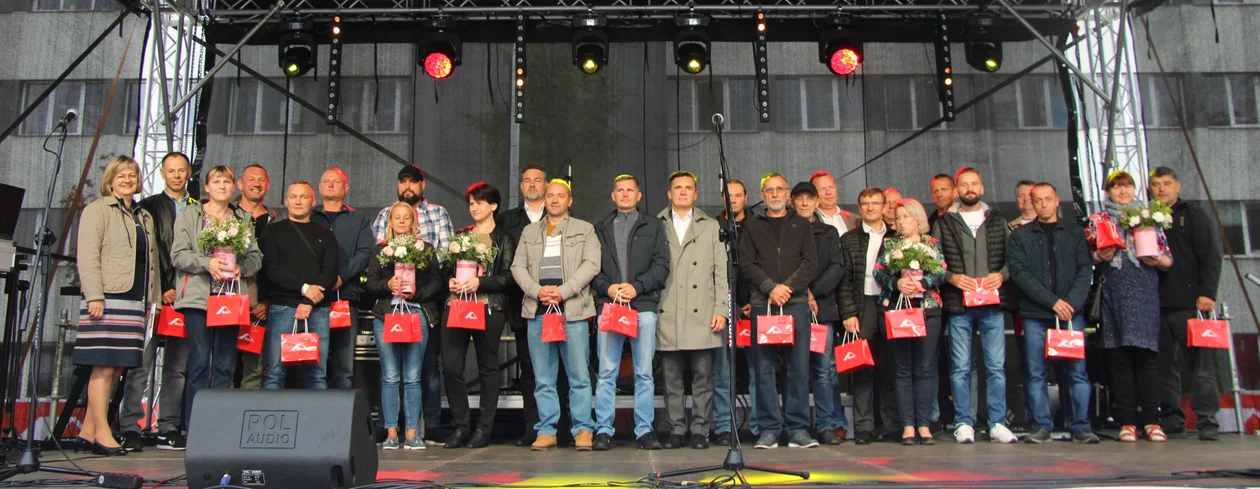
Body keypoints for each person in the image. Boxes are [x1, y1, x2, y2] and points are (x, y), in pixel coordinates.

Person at [73, 156, 161, 456]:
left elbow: (152, 262)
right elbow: (87, 255)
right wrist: (94, 295)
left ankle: (87, 430)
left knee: (117, 368)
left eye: (132, 175)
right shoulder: (97, 210)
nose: (127, 180)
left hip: (135, 299)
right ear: (110, 181)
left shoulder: (143, 216)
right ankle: (102, 433)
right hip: (106, 297)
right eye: (121, 175)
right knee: (103, 366)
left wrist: (152, 300)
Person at [511, 179, 600, 451]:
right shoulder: (529, 231)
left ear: (569, 201)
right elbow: (517, 266)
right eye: (550, 195)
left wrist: (563, 291)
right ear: (544, 200)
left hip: (572, 311)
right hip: (538, 311)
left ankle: (583, 429)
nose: (554, 200)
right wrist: (537, 291)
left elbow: (592, 264)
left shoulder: (585, 229)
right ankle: (547, 429)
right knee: (543, 377)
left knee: (579, 376)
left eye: (561, 196)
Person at [1007, 183, 1100, 444]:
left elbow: (1085, 269)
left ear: (1058, 200)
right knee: (1036, 372)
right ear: (1032, 203)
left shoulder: (1075, 233)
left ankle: (1081, 426)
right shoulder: (1020, 236)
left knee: (1077, 372)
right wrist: (1053, 302)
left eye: (1048, 199)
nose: (1044, 204)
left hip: (1070, 313)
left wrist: (1070, 303)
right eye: (1038, 200)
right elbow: (1020, 274)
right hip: (1036, 314)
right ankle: (1041, 426)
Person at [171, 165, 263, 429]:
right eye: (216, 181)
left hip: (230, 299)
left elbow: (256, 256)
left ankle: (219, 427)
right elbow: (178, 255)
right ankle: (194, 426)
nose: (222, 186)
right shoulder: (190, 214)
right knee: (199, 363)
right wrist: (207, 263)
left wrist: (242, 268)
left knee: (224, 364)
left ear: (233, 187)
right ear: (207, 187)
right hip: (199, 299)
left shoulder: (241, 218)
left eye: (226, 182)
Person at [932, 167, 1017, 444]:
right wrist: (951, 277)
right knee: (960, 367)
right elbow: (933, 261)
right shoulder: (945, 222)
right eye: (964, 184)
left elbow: (1014, 258)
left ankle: (997, 422)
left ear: (982, 188)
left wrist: (1002, 275)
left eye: (974, 184)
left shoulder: (997, 220)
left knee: (996, 367)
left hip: (992, 305)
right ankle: (963, 422)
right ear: (957, 190)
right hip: (959, 305)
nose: (969, 189)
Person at [1087, 170, 1173, 443]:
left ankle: (1152, 421)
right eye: (1117, 187)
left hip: (1145, 293)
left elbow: (1168, 258)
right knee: (1119, 358)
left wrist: (1157, 260)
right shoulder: (1098, 219)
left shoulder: (1150, 217)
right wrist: (1099, 255)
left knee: (1147, 358)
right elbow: (1087, 255)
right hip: (1113, 293)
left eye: (1127, 186)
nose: (1123, 191)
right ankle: (1126, 421)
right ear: (1108, 192)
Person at [371, 164, 453, 443]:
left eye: (406, 218)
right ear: (389, 221)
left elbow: (437, 280)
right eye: (397, 217)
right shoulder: (381, 249)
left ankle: (414, 433)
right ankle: (391, 432)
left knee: (415, 376)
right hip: (387, 314)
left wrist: (415, 293)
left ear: (413, 221)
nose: (401, 221)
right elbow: (370, 282)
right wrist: (387, 285)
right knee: (390, 375)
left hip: (417, 313)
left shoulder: (425, 249)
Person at [589, 175, 670, 451]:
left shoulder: (654, 226)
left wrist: (637, 287)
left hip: (643, 305)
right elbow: (592, 268)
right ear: (613, 196)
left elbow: (662, 266)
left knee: (644, 372)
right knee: (606, 372)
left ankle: (644, 430)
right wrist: (608, 288)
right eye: (620, 190)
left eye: (630, 190)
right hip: (610, 305)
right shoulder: (600, 228)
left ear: (639, 195)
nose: (625, 194)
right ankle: (603, 430)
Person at [739, 173, 818, 450]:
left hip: (795, 304)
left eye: (779, 189)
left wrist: (788, 288)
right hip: (764, 305)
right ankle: (769, 429)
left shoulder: (802, 224)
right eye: (769, 190)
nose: (774, 194)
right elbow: (746, 264)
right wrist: (771, 288)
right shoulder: (752, 226)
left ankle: (797, 429)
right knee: (764, 370)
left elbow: (810, 263)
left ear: (787, 194)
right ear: (762, 196)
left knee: (798, 369)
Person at [121, 152, 194, 452]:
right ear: (162, 173)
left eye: (181, 170)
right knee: (142, 363)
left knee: (177, 367)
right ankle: (130, 427)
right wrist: (163, 287)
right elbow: (149, 252)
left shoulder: (198, 207)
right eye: (170, 170)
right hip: (155, 297)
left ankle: (168, 427)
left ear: (189, 173)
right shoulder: (148, 206)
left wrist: (183, 289)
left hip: (188, 297)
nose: (176, 175)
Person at [1149, 167, 1222, 441]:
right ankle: (1172, 419)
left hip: (1191, 303)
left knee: (1201, 366)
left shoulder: (1193, 214)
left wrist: (1208, 293)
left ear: (1178, 186)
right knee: (1163, 366)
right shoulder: (1143, 217)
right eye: (1156, 184)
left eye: (1167, 183)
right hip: (1156, 303)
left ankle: (1207, 421)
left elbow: (1212, 255)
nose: (1161, 189)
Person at [655, 171, 725, 450]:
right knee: (671, 379)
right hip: (668, 308)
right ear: (669, 193)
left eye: (688, 188)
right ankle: (676, 429)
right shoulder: (656, 224)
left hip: (703, 312)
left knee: (703, 378)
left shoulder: (711, 226)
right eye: (678, 188)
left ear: (696, 194)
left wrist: (721, 308)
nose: (683, 192)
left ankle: (700, 430)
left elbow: (721, 272)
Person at [442, 183, 514, 449]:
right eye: (471, 203)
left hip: (488, 306)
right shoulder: (461, 236)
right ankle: (461, 427)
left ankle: (483, 429)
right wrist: (450, 280)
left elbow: (508, 277)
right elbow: (446, 269)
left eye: (480, 202)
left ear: (493, 205)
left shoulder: (504, 239)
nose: (474, 207)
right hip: (457, 305)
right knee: (451, 365)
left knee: (487, 366)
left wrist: (480, 283)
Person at [873, 198, 946, 445]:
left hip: (927, 311)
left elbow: (941, 271)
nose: (901, 222)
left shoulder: (930, 243)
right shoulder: (890, 244)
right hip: (897, 310)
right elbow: (878, 271)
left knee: (924, 368)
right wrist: (897, 283)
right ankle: (907, 426)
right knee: (901, 369)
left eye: (906, 217)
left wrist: (922, 283)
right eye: (898, 218)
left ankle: (924, 424)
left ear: (918, 219)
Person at [260, 182, 340, 390]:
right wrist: (304, 288)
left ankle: (316, 413)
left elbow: (330, 272)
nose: (298, 201)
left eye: (303, 197)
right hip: (283, 307)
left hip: (318, 309)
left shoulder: (326, 233)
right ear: (286, 201)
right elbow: (270, 268)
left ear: (313, 201)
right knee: (275, 372)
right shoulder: (273, 230)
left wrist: (308, 301)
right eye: (293, 197)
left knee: (317, 375)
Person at [791, 182, 847, 445]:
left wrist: (814, 292)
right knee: (796, 370)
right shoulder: (786, 230)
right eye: (799, 198)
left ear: (817, 202)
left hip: (822, 310)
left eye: (809, 198)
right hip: (792, 306)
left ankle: (826, 424)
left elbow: (837, 266)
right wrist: (803, 291)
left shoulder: (829, 232)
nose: (804, 203)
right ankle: (797, 426)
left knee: (824, 370)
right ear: (792, 202)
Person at [496, 163, 548, 447]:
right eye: (527, 180)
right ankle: (533, 427)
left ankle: (558, 426)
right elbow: (503, 266)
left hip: (559, 304)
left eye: (537, 180)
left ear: (546, 185)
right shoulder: (506, 221)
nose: (532, 185)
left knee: (557, 369)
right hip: (521, 305)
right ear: (521, 186)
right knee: (528, 368)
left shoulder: (562, 216)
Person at [311, 168, 375, 391]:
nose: (330, 185)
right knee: (312, 364)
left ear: (346, 188)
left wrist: (341, 277)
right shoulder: (309, 217)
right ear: (319, 187)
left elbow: (365, 252)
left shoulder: (358, 219)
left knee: (344, 366)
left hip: (345, 298)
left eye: (336, 181)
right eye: (326, 181)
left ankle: (341, 412)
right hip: (312, 300)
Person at [838, 187, 889, 445]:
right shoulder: (849, 239)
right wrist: (849, 312)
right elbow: (844, 280)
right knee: (862, 367)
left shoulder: (895, 237)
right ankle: (864, 426)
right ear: (859, 208)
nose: (870, 208)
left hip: (891, 305)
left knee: (892, 365)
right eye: (866, 204)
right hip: (862, 304)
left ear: (884, 207)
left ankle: (890, 424)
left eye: (875, 203)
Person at [232, 164, 278, 390]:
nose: (256, 184)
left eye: (261, 180)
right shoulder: (227, 216)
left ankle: (247, 410)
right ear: (240, 184)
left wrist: (266, 301)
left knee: (255, 370)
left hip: (262, 306)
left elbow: (280, 265)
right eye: (251, 179)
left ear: (267, 185)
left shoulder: (276, 221)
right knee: (224, 365)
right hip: (231, 302)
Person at [714, 178, 749, 444]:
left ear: (746, 198)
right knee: (722, 370)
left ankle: (761, 425)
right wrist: (729, 303)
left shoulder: (757, 226)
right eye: (729, 195)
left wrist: (750, 300)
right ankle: (725, 424)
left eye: (738, 195)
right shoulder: (712, 226)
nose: (733, 199)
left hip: (755, 305)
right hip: (723, 304)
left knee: (759, 370)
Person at [810, 171, 860, 235]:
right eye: (822, 189)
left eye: (831, 187)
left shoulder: (854, 219)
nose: (828, 192)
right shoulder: (809, 221)